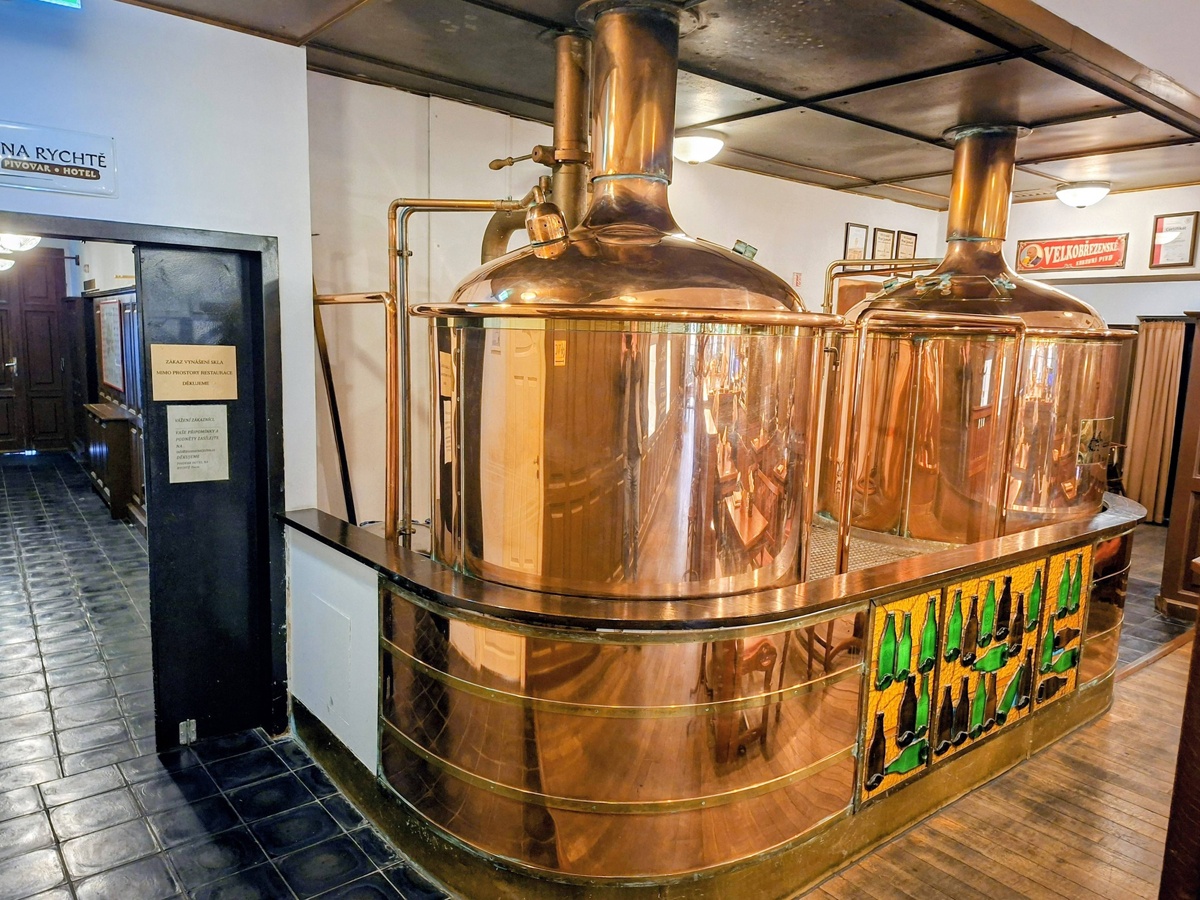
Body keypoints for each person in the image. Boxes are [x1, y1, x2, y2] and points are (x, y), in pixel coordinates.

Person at [620, 333, 645, 579]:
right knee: (626, 519)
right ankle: (627, 568)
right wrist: (626, 355)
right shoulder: (625, 364)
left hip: (637, 451)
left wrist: (635, 354)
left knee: (635, 518)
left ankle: (635, 566)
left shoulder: (638, 362)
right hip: (626, 454)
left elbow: (638, 380)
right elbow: (622, 384)